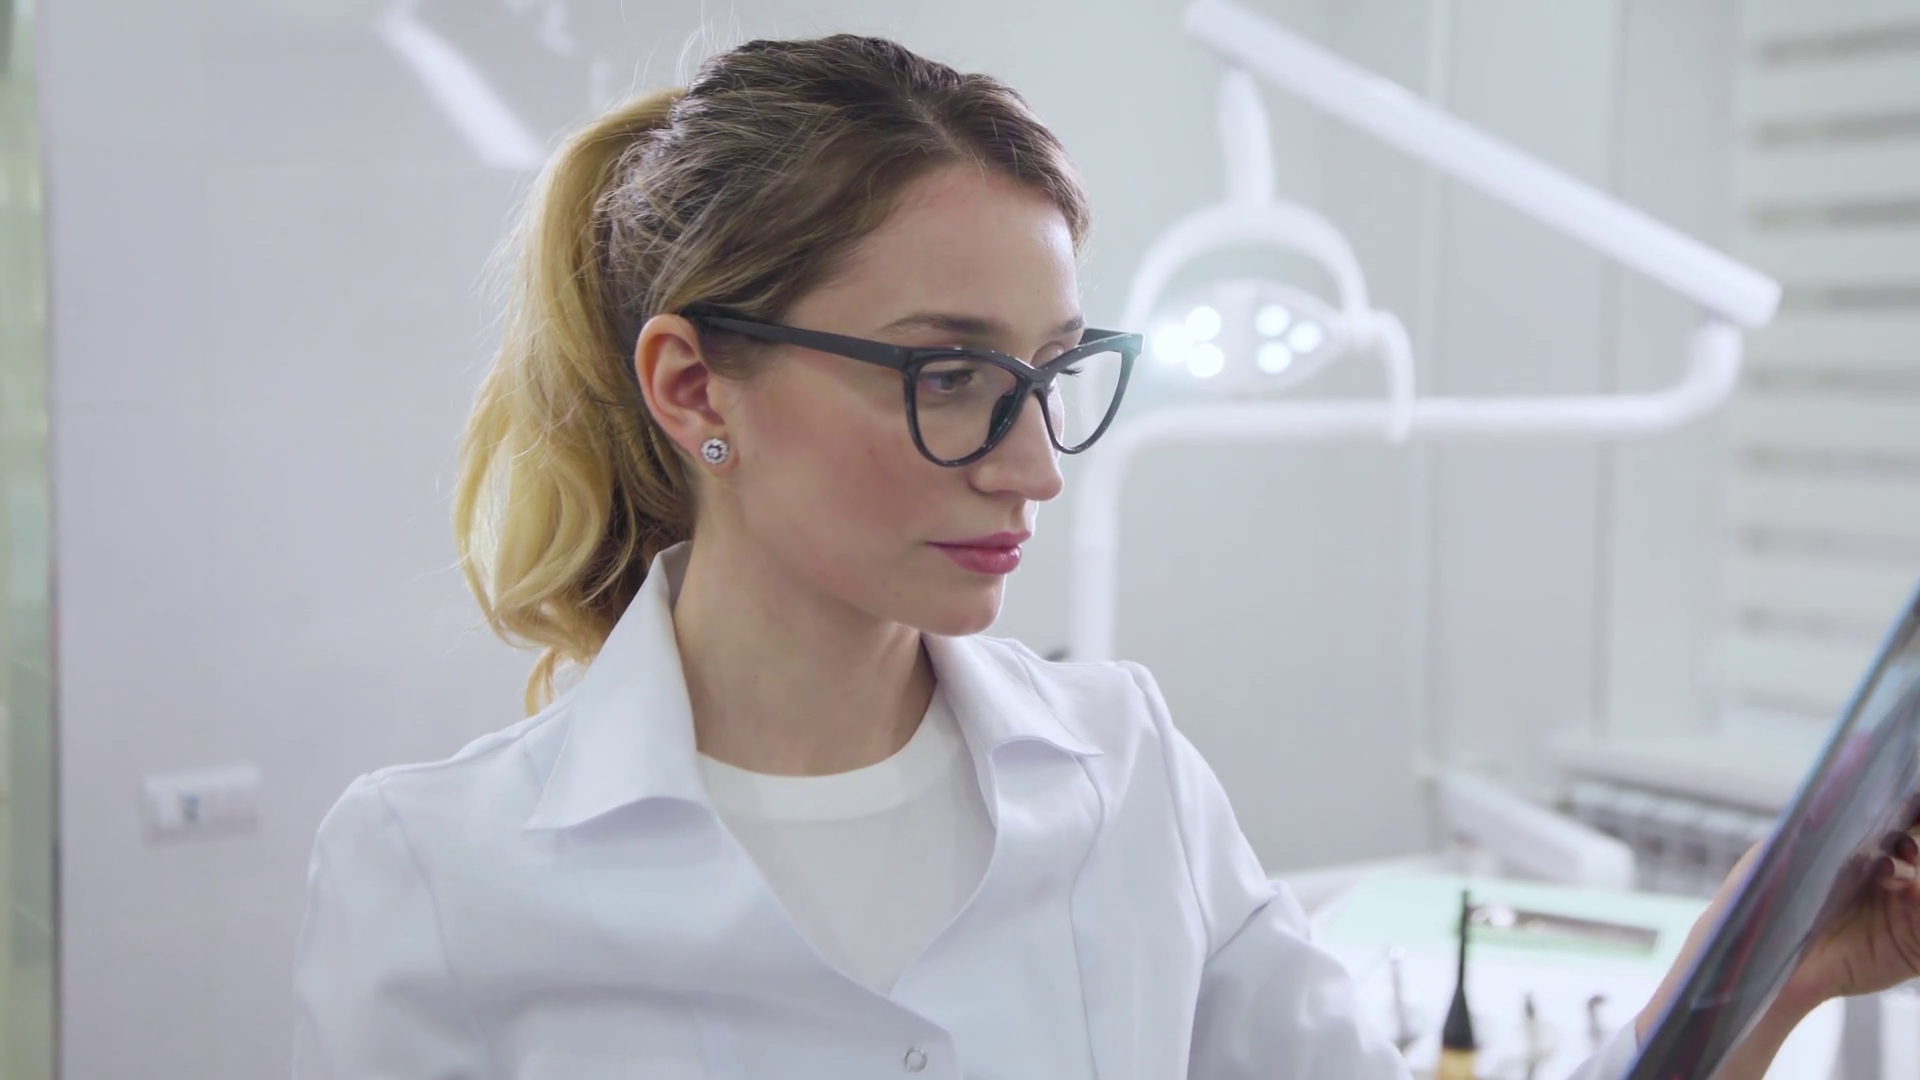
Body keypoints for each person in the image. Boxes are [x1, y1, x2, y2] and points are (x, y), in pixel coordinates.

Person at [291, 32, 1920, 1079]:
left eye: (1052, 374)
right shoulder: (437, 878)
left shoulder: (1124, 769)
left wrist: (1769, 971)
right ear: (696, 387)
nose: (1035, 466)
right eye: (949, 375)